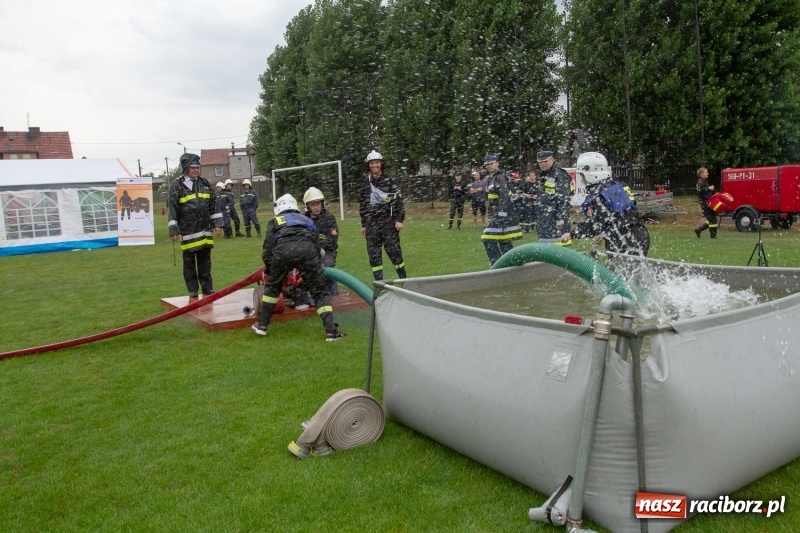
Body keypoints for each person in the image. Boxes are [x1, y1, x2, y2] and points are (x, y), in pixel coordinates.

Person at [252, 194, 345, 341]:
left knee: (272, 290)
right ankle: (331, 332)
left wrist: (270, 271)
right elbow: (317, 246)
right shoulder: (306, 220)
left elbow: (268, 250)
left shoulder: (275, 221)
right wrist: (311, 269)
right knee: (319, 293)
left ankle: (262, 325)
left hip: (283, 251)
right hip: (307, 250)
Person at [560, 152, 650, 256]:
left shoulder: (598, 196)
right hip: (640, 234)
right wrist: (601, 231)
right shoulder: (620, 185)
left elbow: (594, 225)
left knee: (619, 266)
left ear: (591, 174)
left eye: (582, 176)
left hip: (624, 241)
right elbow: (620, 216)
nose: (583, 180)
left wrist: (571, 234)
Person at [167, 153, 224, 297]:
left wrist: (217, 224)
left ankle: (207, 288)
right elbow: (172, 208)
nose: (195, 170)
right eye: (192, 167)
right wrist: (173, 230)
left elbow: (213, 204)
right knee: (189, 262)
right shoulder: (176, 184)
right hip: (188, 231)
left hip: (205, 230)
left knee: (205, 262)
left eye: (197, 168)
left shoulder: (205, 183)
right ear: (186, 168)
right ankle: (192, 290)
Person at [358, 150, 407, 281]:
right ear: (368, 165)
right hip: (371, 223)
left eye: (377, 163)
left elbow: (398, 201)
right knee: (374, 255)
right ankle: (379, 284)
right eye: (371, 163)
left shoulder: (390, 179)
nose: (374, 165)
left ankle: (404, 280)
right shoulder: (365, 182)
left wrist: (399, 219)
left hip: (388, 222)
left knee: (394, 252)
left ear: (381, 164)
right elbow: (363, 203)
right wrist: (364, 224)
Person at [480, 154, 522, 265]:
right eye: (487, 164)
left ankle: (497, 265)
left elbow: (505, 196)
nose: (489, 166)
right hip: (499, 214)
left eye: (491, 163)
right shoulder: (493, 178)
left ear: (497, 163)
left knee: (488, 239)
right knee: (504, 241)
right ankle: (513, 264)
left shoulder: (499, 177)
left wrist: (501, 214)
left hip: (501, 215)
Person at [303, 187, 339, 296]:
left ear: (322, 203)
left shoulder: (329, 218)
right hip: (307, 252)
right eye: (312, 204)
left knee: (326, 267)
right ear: (307, 206)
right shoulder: (303, 219)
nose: (316, 207)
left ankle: (332, 293)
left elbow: (332, 240)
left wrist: (318, 248)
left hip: (326, 252)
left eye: (318, 204)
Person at [535, 150, 573, 244]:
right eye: (540, 162)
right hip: (544, 219)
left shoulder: (560, 174)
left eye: (545, 161)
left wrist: (560, 218)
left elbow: (564, 198)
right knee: (545, 247)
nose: (542, 164)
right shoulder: (543, 175)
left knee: (557, 249)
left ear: (552, 160)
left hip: (556, 219)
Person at [694, 167, 718, 238]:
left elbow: (705, 191)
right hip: (705, 203)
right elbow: (699, 190)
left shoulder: (704, 181)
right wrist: (708, 188)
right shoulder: (700, 181)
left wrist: (711, 190)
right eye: (705, 172)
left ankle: (699, 230)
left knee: (712, 218)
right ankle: (713, 236)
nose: (707, 173)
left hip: (708, 202)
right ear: (701, 174)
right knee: (712, 219)